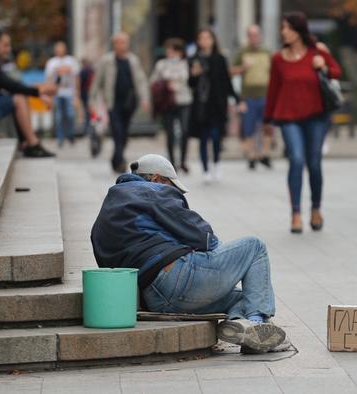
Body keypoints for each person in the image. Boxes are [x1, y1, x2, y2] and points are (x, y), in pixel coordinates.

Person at [90, 153, 288, 353]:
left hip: (153, 299)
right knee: (254, 247)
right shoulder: (153, 191)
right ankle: (258, 324)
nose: (175, 193)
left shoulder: (109, 207)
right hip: (176, 277)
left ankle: (243, 328)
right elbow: (205, 239)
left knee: (243, 297)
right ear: (157, 178)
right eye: (172, 186)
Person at [264, 12, 342, 233]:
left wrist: (323, 66)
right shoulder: (278, 58)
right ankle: (296, 213)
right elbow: (273, 90)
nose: (284, 32)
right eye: (283, 28)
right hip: (289, 117)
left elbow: (337, 72)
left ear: (299, 30)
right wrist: (267, 120)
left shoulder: (318, 51)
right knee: (296, 160)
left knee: (314, 163)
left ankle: (316, 208)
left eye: (288, 28)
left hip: (317, 116)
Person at [0, 29, 56, 157]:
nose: (8, 49)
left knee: (18, 96)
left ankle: (26, 142)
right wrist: (38, 93)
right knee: (18, 98)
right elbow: (7, 84)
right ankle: (32, 143)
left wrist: (35, 92)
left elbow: (9, 86)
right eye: (5, 45)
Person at [90, 32, 150, 173]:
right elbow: (97, 82)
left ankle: (116, 158)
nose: (122, 45)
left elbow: (141, 81)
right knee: (117, 130)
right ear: (114, 44)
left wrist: (145, 98)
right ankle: (120, 160)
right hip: (113, 102)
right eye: (119, 42)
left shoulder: (133, 60)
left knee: (124, 131)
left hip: (130, 102)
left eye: (124, 42)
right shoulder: (106, 61)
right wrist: (92, 100)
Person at [189, 29, 240, 183]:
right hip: (201, 105)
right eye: (201, 38)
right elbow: (190, 84)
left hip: (217, 104)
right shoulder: (194, 59)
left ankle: (217, 163)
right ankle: (205, 169)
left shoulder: (220, 58)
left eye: (207, 38)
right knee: (203, 138)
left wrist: (237, 99)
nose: (204, 41)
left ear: (213, 40)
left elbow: (227, 81)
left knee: (217, 136)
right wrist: (194, 75)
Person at [232, 25, 273, 170]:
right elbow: (231, 71)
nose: (254, 38)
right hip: (248, 95)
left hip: (266, 95)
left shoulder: (267, 52)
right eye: (251, 35)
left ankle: (265, 154)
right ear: (248, 37)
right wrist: (243, 68)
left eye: (256, 35)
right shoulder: (242, 52)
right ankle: (251, 156)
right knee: (249, 127)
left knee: (267, 126)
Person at [150, 38, 192, 172]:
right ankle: (172, 162)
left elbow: (191, 81)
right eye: (168, 50)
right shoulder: (161, 64)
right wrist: (164, 83)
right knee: (170, 133)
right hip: (168, 102)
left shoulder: (186, 64)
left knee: (185, 131)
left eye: (173, 50)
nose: (170, 53)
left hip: (184, 100)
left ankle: (183, 160)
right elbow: (153, 81)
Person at [45, 41, 80, 147]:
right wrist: (49, 95)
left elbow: (76, 78)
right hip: (57, 93)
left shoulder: (71, 61)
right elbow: (48, 79)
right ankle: (60, 138)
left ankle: (70, 135)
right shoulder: (51, 62)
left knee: (70, 115)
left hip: (69, 92)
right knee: (59, 116)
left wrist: (76, 94)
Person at [79, 58, 94, 134]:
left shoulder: (83, 72)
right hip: (91, 94)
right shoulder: (92, 70)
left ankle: (87, 128)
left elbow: (81, 85)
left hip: (85, 93)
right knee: (91, 111)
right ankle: (91, 127)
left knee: (87, 111)